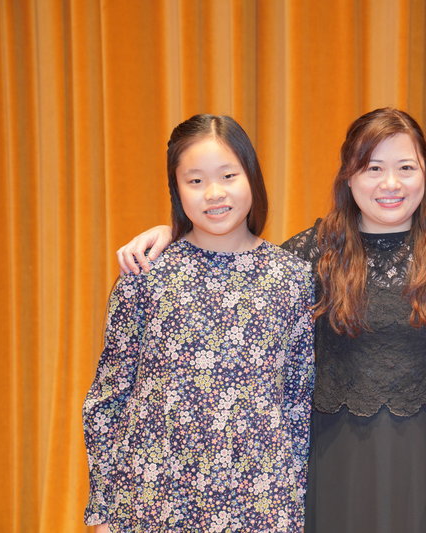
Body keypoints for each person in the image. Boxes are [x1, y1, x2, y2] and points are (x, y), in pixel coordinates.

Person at [116, 109, 426, 533]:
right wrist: (173, 232)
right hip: (337, 457)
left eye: (405, 167)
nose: (390, 183)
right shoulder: (312, 253)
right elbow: (241, 256)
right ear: (349, 175)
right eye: (372, 168)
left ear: (425, 172)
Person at [83, 114, 315, 532]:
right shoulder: (146, 272)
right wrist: (103, 512)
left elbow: (299, 400)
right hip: (154, 497)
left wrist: (292, 502)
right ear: (176, 189)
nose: (214, 193)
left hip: (259, 499)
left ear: (252, 177)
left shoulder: (292, 277)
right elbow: (109, 397)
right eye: (195, 180)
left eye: (228, 175)